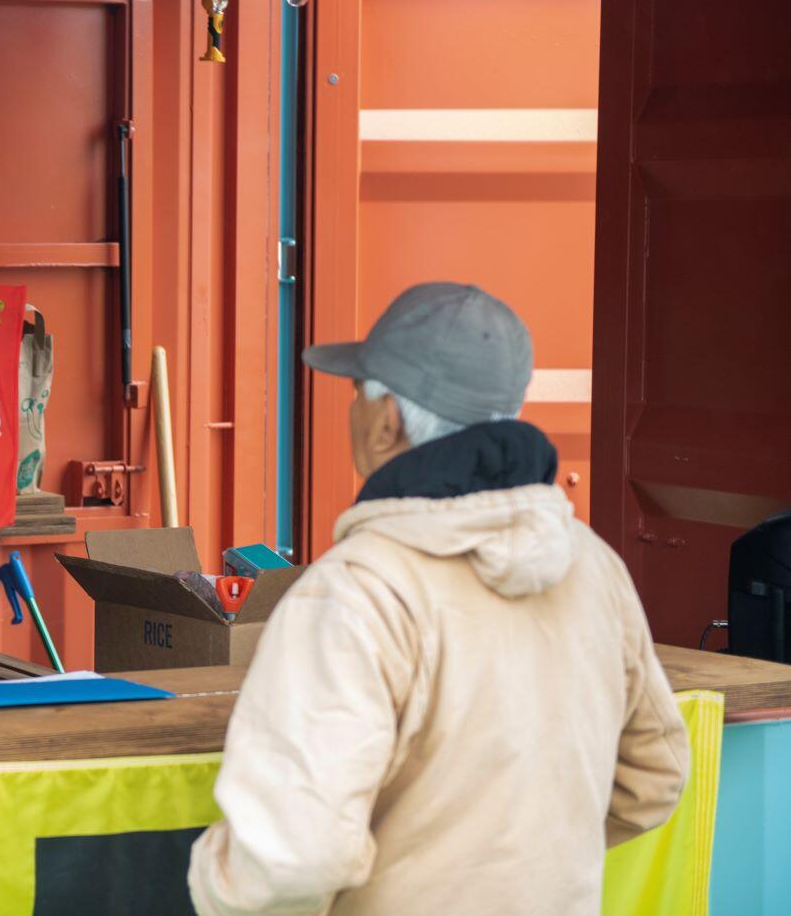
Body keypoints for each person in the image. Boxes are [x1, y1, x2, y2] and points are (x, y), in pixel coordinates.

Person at [189, 282, 688, 916]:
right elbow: (653, 778)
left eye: (355, 393)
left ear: (387, 419)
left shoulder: (354, 592)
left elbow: (291, 857)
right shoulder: (595, 568)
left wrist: (208, 881)